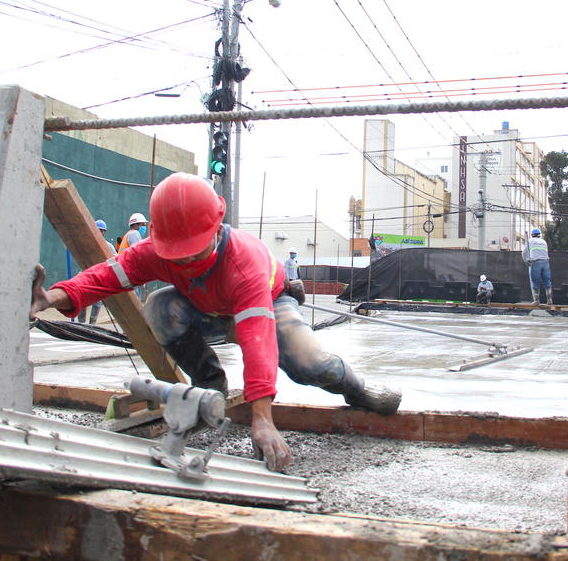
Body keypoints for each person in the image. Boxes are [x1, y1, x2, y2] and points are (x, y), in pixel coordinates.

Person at [30, 173, 401, 472]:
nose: (184, 261)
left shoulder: (245, 262)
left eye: (194, 252)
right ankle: (210, 386)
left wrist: (262, 418)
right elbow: (104, 277)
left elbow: (257, 341)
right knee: (159, 307)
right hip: (207, 307)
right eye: (176, 255)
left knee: (311, 364)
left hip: (269, 301)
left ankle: (357, 389)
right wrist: (52, 298)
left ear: (216, 225)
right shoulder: (157, 249)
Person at [76, 220, 117, 325]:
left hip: (100, 276)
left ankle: (92, 325)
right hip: (86, 275)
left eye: (102, 231)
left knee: (97, 302)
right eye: (98, 230)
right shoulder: (86, 243)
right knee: (82, 299)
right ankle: (81, 324)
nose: (100, 232)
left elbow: (115, 261)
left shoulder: (108, 246)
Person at [118, 212, 149, 301]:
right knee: (135, 301)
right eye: (143, 224)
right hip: (127, 272)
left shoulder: (129, 234)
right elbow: (139, 254)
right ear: (136, 225)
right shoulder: (134, 234)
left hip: (123, 271)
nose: (144, 226)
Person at [522, 228, 552, 304]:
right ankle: (549, 300)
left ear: (532, 235)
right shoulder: (544, 242)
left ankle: (536, 300)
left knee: (535, 281)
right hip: (546, 262)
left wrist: (526, 261)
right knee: (547, 281)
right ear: (539, 235)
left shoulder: (530, 241)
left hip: (535, 263)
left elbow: (523, 253)